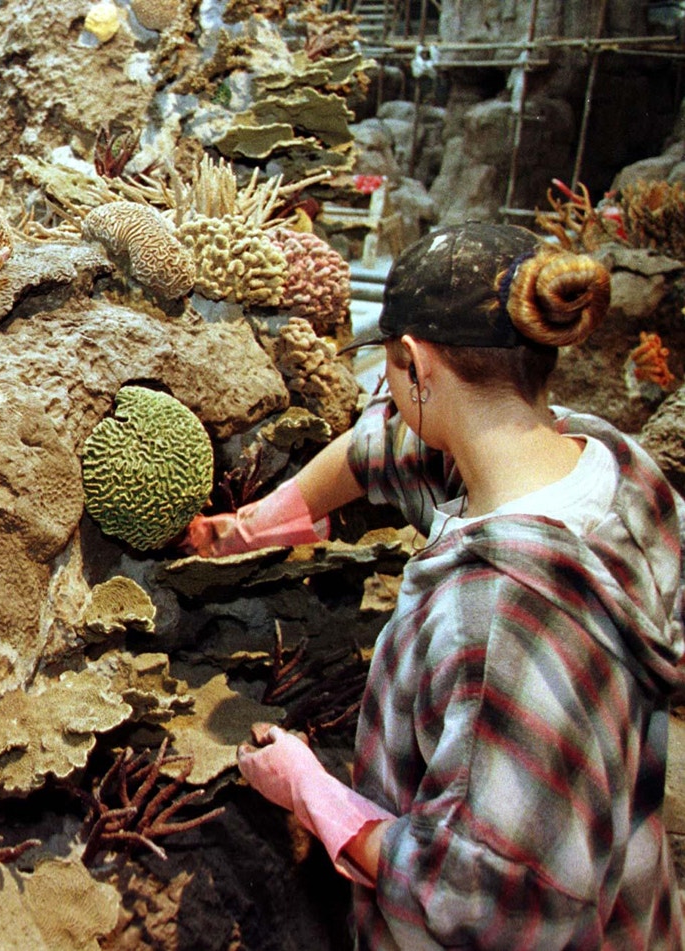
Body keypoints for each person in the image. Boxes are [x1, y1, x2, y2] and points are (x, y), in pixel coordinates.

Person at [195, 223, 684, 947]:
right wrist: (253, 525)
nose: (389, 399)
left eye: (392, 374)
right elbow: (383, 449)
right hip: (637, 907)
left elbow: (484, 905)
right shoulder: (615, 466)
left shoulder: (497, 620)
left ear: (415, 364)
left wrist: (312, 791)